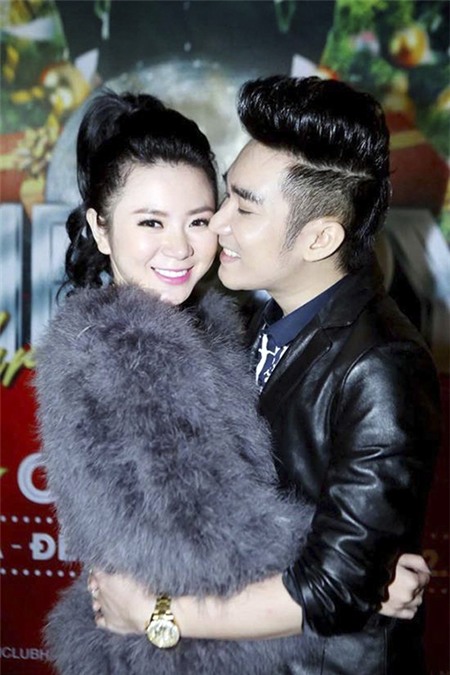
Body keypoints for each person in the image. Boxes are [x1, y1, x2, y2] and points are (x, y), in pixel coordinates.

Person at [91, 76, 441, 674]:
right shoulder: (249, 322)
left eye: (244, 208)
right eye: (225, 196)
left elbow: (331, 589)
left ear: (320, 237)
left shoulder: (381, 366)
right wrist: (367, 572)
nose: (217, 223)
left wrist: (158, 614)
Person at [35, 87, 318, 675]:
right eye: (151, 222)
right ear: (101, 229)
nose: (180, 247)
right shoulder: (124, 352)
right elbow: (216, 549)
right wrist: (356, 573)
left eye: (198, 221)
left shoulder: (206, 326)